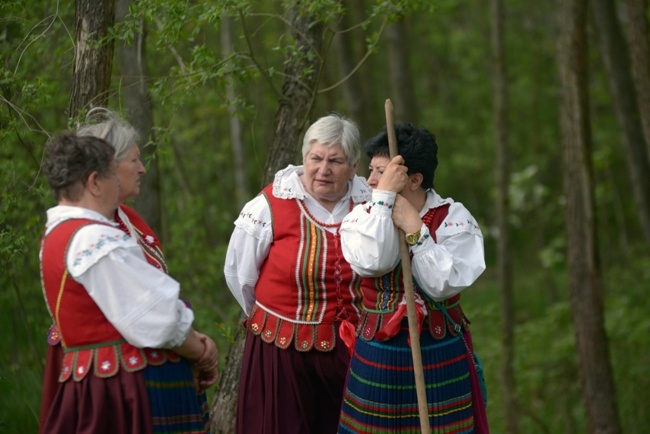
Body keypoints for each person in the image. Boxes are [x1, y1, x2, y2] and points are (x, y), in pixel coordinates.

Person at [39, 131, 218, 434]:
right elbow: (155, 318)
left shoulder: (60, 232)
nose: (118, 183)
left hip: (100, 382)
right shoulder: (95, 238)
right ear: (95, 183)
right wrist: (199, 350)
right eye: (113, 176)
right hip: (121, 387)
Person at [224, 114, 372, 434]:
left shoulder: (371, 205)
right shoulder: (270, 204)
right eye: (315, 158)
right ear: (304, 158)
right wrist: (277, 316)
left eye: (335, 161)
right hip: (281, 353)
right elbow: (239, 274)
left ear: (354, 166)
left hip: (353, 351)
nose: (323, 169)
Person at [337, 123, 489, 433]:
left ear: (414, 179)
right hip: (379, 351)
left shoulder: (454, 218)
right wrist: (384, 204)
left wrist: (416, 231)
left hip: (439, 347)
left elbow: (440, 285)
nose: (372, 181)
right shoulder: (362, 218)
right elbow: (375, 261)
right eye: (373, 170)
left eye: (383, 172)